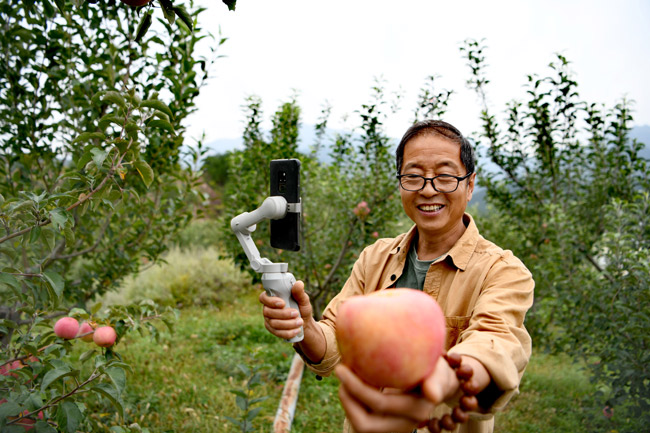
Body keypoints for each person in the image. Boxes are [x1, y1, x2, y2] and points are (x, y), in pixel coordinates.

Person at [259, 120, 534, 433]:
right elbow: (336, 342)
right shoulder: (374, 259)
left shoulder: (502, 271)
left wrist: (441, 377)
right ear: (401, 183)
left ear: (470, 184)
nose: (428, 189)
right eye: (414, 177)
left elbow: (496, 341)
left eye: (445, 176)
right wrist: (305, 327)